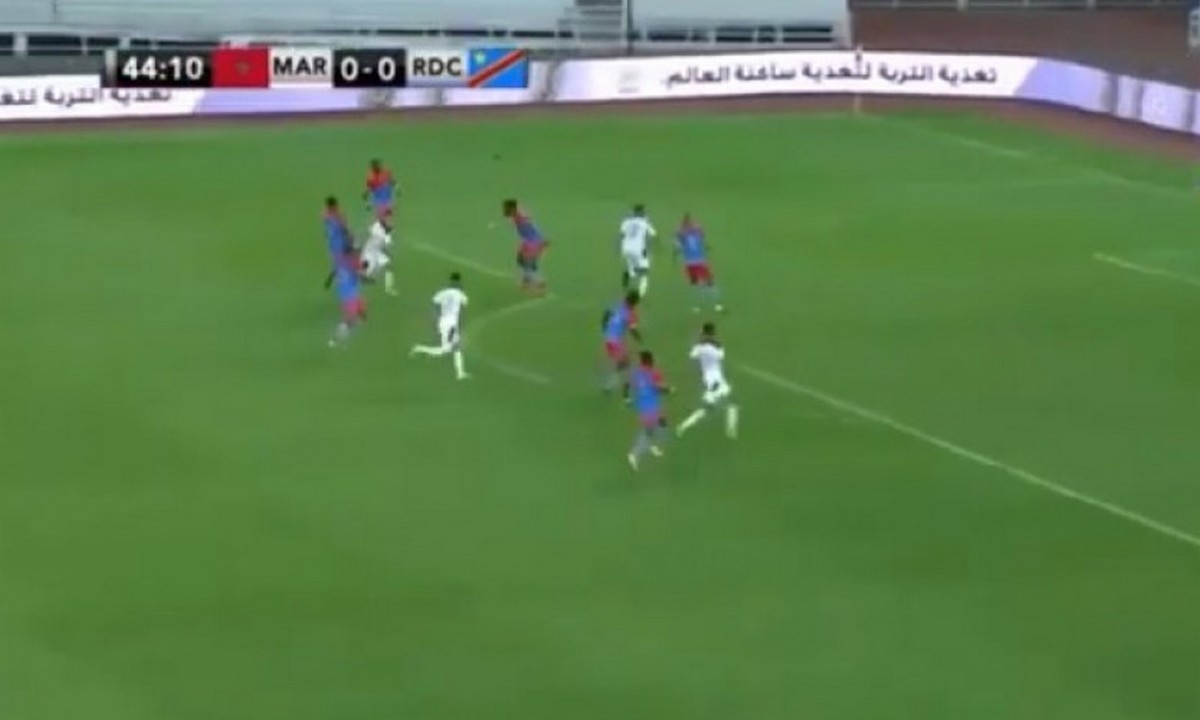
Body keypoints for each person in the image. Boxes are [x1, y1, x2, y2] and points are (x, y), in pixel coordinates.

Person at [676, 322, 739, 438]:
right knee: (731, 405)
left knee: (709, 408)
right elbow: (721, 356)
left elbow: (692, 355)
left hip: (708, 378)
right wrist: (714, 343)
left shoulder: (699, 346)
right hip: (715, 379)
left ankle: (683, 426)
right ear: (712, 332)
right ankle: (731, 430)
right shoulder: (715, 346)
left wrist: (701, 343)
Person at [410, 272, 470, 380]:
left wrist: (436, 318)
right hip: (452, 323)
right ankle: (419, 348)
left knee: (455, 348)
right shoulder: (461, 295)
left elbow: (435, 304)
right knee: (447, 349)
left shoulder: (442, 293)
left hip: (443, 321)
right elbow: (462, 311)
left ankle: (460, 373)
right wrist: (461, 324)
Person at [628, 350, 671, 470]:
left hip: (642, 405)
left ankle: (652, 446)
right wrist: (669, 389)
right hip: (652, 406)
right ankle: (634, 454)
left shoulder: (636, 373)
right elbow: (659, 387)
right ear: (650, 361)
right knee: (654, 429)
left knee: (657, 426)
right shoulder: (654, 373)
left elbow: (633, 386)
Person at [675, 213, 723, 313]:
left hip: (691, 263)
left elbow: (678, 239)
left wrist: (679, 252)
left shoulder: (682, 234)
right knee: (707, 283)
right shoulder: (697, 232)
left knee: (698, 285)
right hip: (698, 262)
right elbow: (701, 234)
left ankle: (699, 306)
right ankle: (716, 304)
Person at [600, 290, 642, 401]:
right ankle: (625, 394)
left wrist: (604, 327)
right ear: (634, 302)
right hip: (616, 342)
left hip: (608, 339)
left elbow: (606, 314)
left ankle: (610, 384)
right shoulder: (630, 313)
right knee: (627, 365)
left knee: (623, 364)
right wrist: (639, 337)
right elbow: (632, 329)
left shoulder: (617, 304)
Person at [503, 198, 548, 293]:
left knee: (528, 262)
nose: (504, 210)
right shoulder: (517, 215)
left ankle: (538, 282)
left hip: (533, 242)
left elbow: (531, 226)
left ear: (512, 209)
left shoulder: (520, 218)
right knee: (521, 260)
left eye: (506, 208)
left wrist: (542, 241)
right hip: (529, 241)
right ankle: (527, 280)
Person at [618, 203, 656, 298]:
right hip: (639, 249)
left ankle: (629, 274)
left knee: (635, 270)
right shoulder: (644, 222)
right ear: (641, 212)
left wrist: (620, 247)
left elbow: (621, 235)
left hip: (626, 249)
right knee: (645, 272)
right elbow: (653, 235)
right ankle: (640, 294)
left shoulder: (626, 221)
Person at [329, 262, 366, 347]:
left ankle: (337, 336)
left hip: (350, 298)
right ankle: (335, 338)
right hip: (350, 299)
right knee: (351, 319)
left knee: (356, 316)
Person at [360, 217, 397, 295]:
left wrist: (387, 253)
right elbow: (384, 245)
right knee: (368, 267)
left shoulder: (380, 229)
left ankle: (389, 288)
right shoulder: (381, 232)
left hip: (376, 251)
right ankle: (361, 277)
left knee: (388, 266)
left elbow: (383, 246)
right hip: (370, 251)